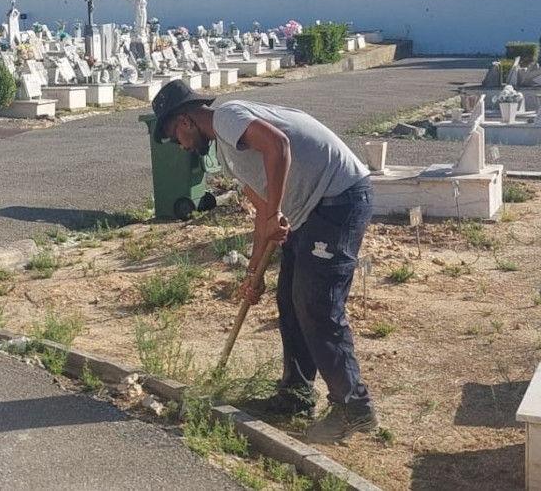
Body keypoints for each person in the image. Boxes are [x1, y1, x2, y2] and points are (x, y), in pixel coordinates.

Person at [150, 80, 378, 443]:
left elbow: (279, 145)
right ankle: (296, 396)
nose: (181, 145)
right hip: (310, 210)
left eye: (174, 136)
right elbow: (263, 211)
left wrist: (274, 214)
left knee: (316, 304)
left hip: (339, 198)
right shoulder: (227, 151)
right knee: (289, 299)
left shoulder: (228, 117)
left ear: (185, 121)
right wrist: (253, 272)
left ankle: (355, 407)